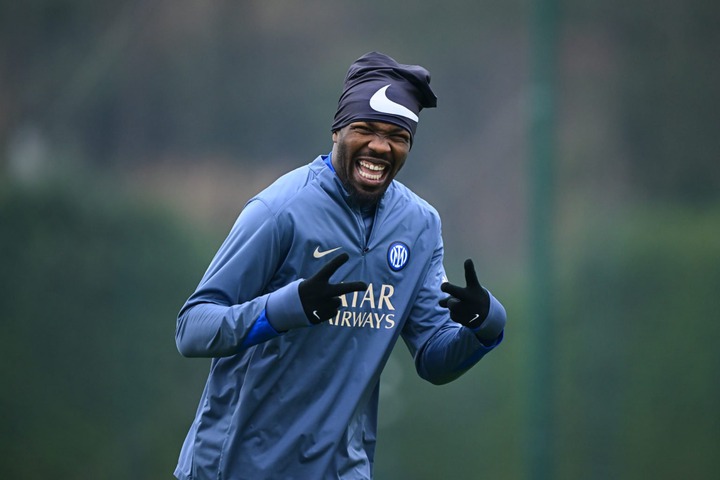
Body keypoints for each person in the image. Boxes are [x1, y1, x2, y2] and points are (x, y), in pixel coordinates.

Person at [173, 51, 507, 480]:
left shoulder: (420, 226)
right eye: (365, 129)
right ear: (337, 130)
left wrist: (485, 324)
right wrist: (283, 309)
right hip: (235, 468)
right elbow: (192, 328)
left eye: (397, 135)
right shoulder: (281, 209)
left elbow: (434, 358)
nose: (380, 146)